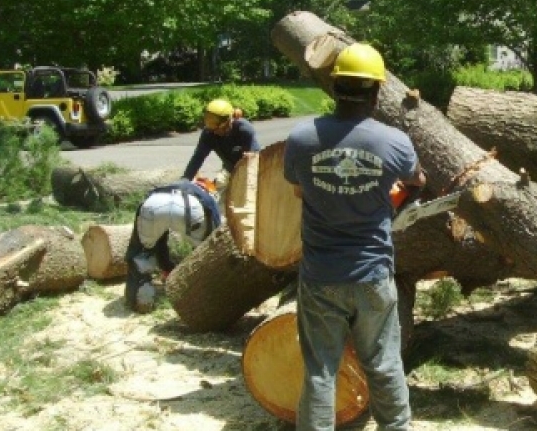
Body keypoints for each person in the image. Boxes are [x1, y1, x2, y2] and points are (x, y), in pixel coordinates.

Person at [283, 42, 426, 431]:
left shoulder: (301, 139)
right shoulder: (393, 141)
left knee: (320, 370)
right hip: (373, 274)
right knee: (383, 363)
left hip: (320, 276)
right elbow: (419, 180)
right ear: (377, 93)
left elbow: (299, 190)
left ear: (334, 87)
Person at [124, 177, 222, 313]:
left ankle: (142, 299)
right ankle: (204, 297)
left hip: (153, 204)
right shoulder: (206, 196)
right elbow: (217, 234)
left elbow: (159, 241)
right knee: (207, 252)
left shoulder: (169, 186)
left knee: (141, 253)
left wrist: (166, 267)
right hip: (190, 207)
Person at [181, 98, 260, 184]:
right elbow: (197, 158)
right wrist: (185, 180)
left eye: (218, 129)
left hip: (251, 172)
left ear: (228, 121)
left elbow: (255, 158)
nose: (215, 132)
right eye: (212, 129)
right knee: (218, 187)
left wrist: (251, 156)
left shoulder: (244, 129)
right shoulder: (209, 133)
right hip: (229, 170)